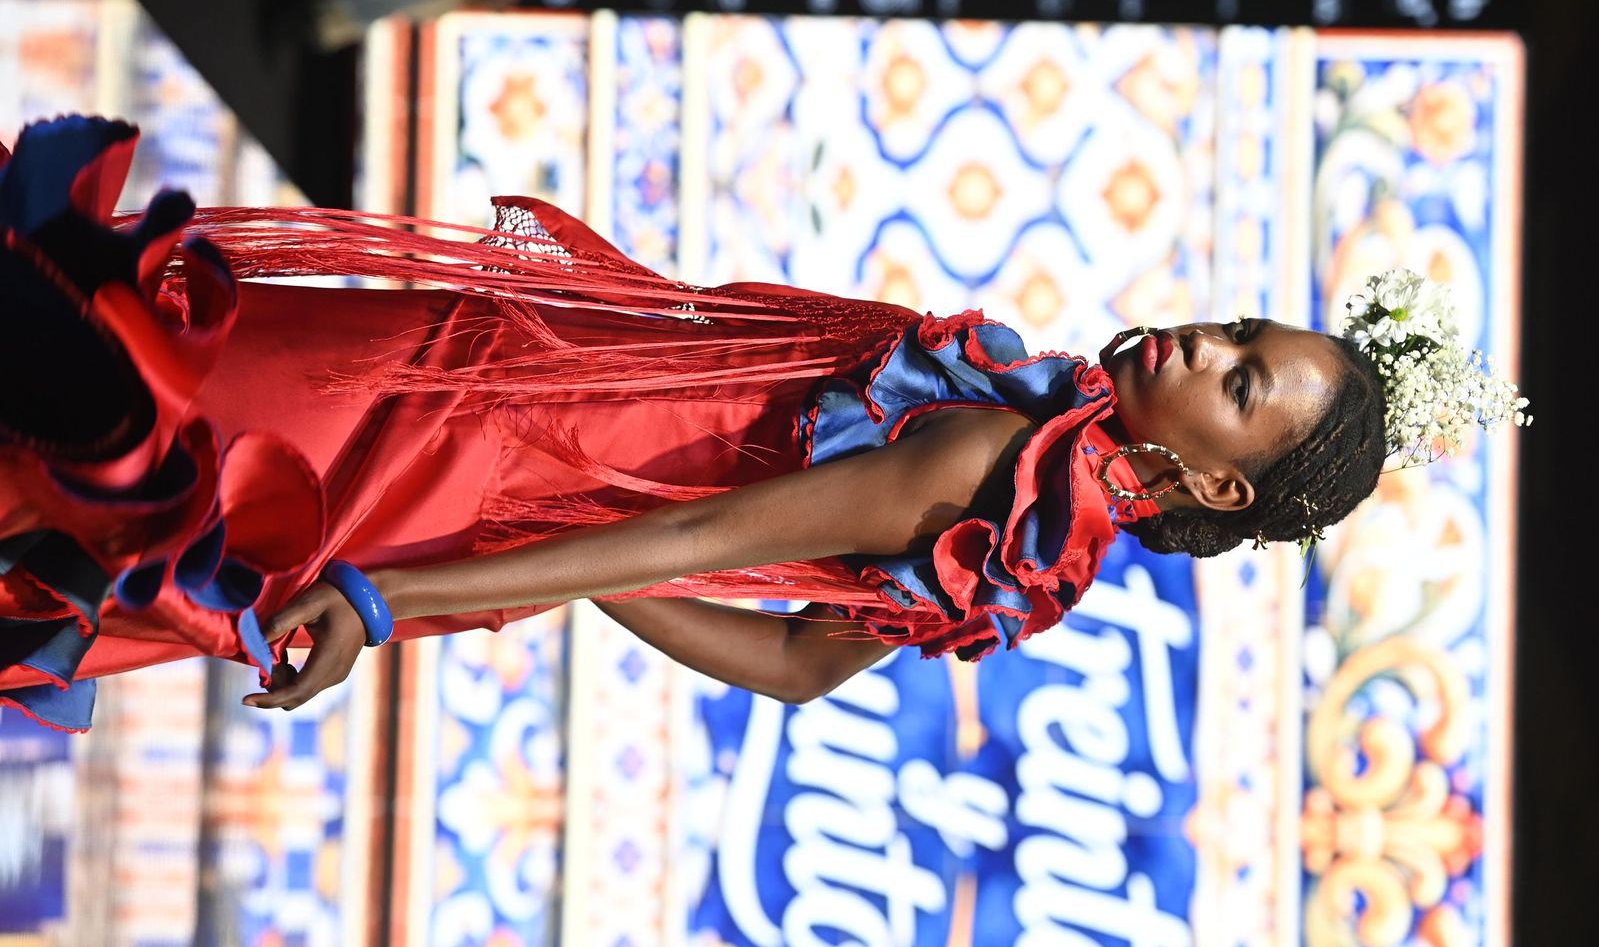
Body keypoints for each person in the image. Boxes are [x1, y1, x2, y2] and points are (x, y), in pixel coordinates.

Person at [0, 116, 1519, 732]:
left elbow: (709, 533)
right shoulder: (1029, 554)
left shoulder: (1003, 466)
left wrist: (399, 593)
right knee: (90, 478)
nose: (1205, 337)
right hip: (478, 470)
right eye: (1246, 329)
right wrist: (556, 552)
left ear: (1211, 480)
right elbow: (796, 667)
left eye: (1240, 379)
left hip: (426, 425)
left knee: (118, 421)